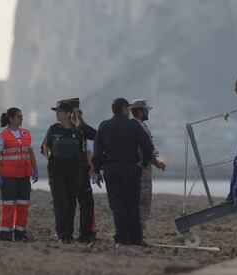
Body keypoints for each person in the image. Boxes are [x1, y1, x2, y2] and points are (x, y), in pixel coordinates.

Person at [92, 98, 153, 246]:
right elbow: (147, 146)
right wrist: (143, 164)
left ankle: (121, 238)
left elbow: (97, 150)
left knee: (117, 204)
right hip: (131, 169)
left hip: (111, 170)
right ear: (124, 109)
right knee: (132, 203)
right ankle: (135, 238)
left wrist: (97, 170)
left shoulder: (104, 126)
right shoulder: (133, 126)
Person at [41, 100, 86, 244]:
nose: (57, 114)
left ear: (68, 114)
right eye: (56, 111)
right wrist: (50, 158)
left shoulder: (77, 130)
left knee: (71, 202)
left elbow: (82, 150)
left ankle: (69, 233)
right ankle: (62, 234)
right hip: (57, 168)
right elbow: (44, 148)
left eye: (60, 111)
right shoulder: (53, 129)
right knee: (61, 202)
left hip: (73, 168)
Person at [0, 107, 38, 241]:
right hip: (9, 176)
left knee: (23, 204)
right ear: (11, 119)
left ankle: (20, 233)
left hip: (24, 175)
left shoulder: (26, 133)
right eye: (19, 117)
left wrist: (35, 169)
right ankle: (5, 233)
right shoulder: (1, 136)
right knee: (8, 205)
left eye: (22, 116)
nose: (21, 118)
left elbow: (31, 153)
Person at [63, 98, 97, 243]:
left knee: (81, 203)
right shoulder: (63, 128)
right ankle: (76, 234)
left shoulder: (74, 128)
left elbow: (95, 135)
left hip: (77, 170)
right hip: (73, 170)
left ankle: (76, 234)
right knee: (78, 203)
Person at [130, 99, 166, 230]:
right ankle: (138, 233)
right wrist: (158, 164)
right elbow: (147, 149)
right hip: (143, 170)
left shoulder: (129, 126)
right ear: (139, 111)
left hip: (131, 169)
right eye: (146, 110)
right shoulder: (142, 127)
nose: (147, 113)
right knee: (143, 202)